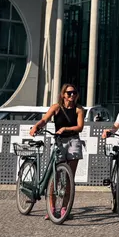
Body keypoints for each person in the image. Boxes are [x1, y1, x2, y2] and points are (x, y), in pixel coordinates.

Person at [31, 84, 86, 219]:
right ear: (63, 94)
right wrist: (36, 126)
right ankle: (51, 208)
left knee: (69, 178)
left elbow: (79, 127)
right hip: (59, 142)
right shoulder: (56, 107)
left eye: (74, 93)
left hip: (73, 141)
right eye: (69, 93)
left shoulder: (79, 109)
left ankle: (64, 208)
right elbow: (45, 119)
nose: (72, 95)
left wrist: (66, 129)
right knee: (54, 177)